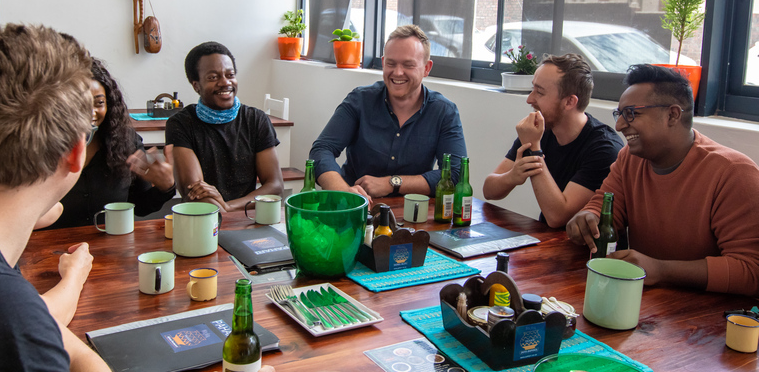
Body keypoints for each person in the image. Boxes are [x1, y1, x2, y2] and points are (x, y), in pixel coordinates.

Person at [567, 64, 759, 297]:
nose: (619, 126)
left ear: (673, 115)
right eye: (619, 115)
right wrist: (586, 219)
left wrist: (660, 269)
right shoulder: (630, 158)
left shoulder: (733, 173)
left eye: (631, 113)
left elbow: (750, 271)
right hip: (647, 305)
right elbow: (604, 207)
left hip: (707, 319)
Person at [0, 23, 110, 370]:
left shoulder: (15, 309)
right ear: (76, 153)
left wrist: (72, 278)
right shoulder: (8, 311)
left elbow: (39, 324)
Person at [309, 25, 467, 201]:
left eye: (408, 65)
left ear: (427, 68)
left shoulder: (444, 111)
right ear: (383, 63)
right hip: (355, 208)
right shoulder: (359, 100)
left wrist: (392, 183)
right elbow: (322, 150)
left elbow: (455, 174)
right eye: (391, 63)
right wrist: (343, 191)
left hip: (414, 211)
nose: (398, 72)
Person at [483, 54, 623, 227]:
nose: (530, 99)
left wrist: (535, 151)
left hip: (586, 250)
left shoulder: (604, 148)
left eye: (539, 92)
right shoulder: (541, 130)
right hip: (547, 241)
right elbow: (489, 190)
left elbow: (558, 217)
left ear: (570, 101)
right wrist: (512, 176)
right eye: (532, 89)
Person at [48, 58, 176, 230]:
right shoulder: (43, 145)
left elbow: (140, 206)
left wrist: (165, 187)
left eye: (99, 103)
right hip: (52, 248)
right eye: (80, 104)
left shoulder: (125, 142)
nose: (91, 112)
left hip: (111, 245)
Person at [167, 41, 283, 212]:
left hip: (247, 219)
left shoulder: (256, 120)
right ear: (196, 85)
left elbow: (275, 186)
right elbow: (195, 193)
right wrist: (222, 208)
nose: (225, 82)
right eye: (213, 77)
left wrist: (228, 208)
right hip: (202, 222)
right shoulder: (181, 124)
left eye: (230, 75)